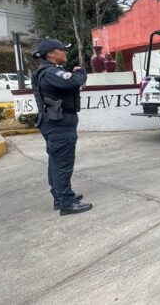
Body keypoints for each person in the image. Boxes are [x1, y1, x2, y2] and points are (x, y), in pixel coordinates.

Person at [31, 38, 92, 216]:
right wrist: (81, 73)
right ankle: (66, 202)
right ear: (51, 54)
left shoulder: (49, 71)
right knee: (62, 164)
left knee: (56, 162)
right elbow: (72, 82)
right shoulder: (49, 72)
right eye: (62, 49)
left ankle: (60, 197)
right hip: (59, 124)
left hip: (54, 123)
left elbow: (66, 82)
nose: (65, 52)